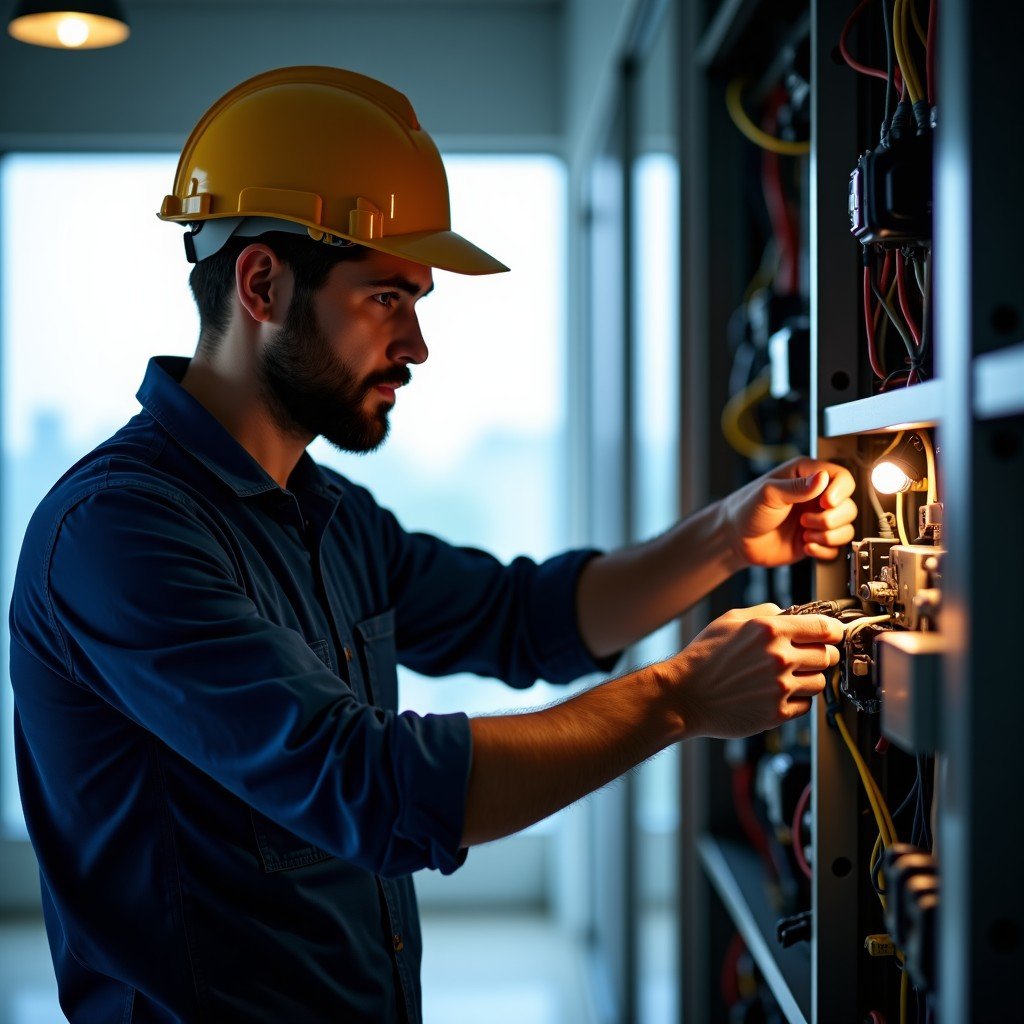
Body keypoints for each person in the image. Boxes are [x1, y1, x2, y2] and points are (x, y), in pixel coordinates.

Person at [8, 67, 855, 1024]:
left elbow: (523, 622)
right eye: (385, 298)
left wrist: (729, 533)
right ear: (262, 284)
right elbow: (368, 788)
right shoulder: (119, 535)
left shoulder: (328, 513)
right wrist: (678, 697)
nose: (416, 344)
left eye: (417, 302)